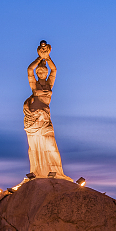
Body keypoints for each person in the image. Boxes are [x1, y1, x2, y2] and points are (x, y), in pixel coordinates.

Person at [23, 40, 70, 180]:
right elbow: (29, 70)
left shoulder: (49, 84)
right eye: (40, 71)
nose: (42, 72)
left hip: (45, 119)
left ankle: (55, 171)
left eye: (44, 71)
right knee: (35, 146)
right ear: (38, 72)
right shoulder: (34, 85)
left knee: (51, 145)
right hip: (34, 119)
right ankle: (36, 172)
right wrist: (39, 58)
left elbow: (54, 70)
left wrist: (47, 58)